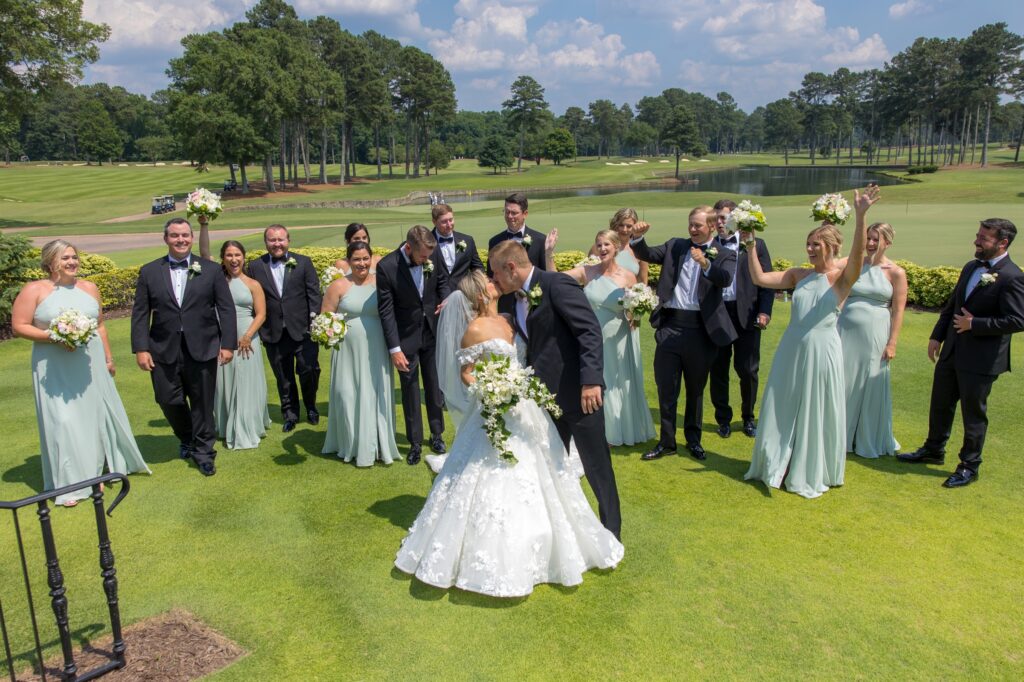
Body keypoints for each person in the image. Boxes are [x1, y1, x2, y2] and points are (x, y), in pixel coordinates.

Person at [395, 271, 623, 596]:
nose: (494, 282)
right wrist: (490, 392)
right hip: (494, 409)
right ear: (480, 294)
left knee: (544, 466)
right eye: (489, 281)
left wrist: (513, 387)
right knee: (491, 473)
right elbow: (466, 373)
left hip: (525, 406)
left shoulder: (506, 320)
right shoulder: (474, 329)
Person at [744, 186, 879, 498]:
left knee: (814, 406)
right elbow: (760, 279)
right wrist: (750, 246)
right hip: (791, 347)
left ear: (830, 247)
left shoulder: (842, 279)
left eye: (816, 244)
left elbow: (858, 257)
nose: (810, 249)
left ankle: (806, 466)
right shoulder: (798, 275)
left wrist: (861, 216)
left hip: (822, 350)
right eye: (808, 244)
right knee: (782, 402)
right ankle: (777, 461)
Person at [490, 240, 622, 538]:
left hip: (579, 395)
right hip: (544, 400)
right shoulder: (513, 299)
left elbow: (589, 332)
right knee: (554, 464)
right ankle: (565, 530)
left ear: (511, 268)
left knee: (595, 464)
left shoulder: (557, 284)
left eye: (496, 273)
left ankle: (611, 531)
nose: (494, 280)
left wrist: (590, 381)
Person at [12, 240, 151, 506]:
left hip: (90, 363)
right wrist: (52, 336)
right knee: (63, 421)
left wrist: (108, 358)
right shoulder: (35, 290)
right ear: (51, 261)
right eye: (65, 258)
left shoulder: (89, 288)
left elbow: (99, 326)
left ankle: (94, 472)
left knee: (92, 417)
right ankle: (69, 485)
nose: (72, 262)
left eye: (74, 257)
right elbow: (19, 326)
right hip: (53, 365)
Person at [898, 218, 1024, 488]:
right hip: (952, 351)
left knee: (973, 413)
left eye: (984, 238)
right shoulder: (970, 267)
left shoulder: (1013, 276)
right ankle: (934, 449)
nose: (976, 241)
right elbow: (953, 304)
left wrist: (974, 324)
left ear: (1003, 243)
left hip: (982, 360)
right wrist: (937, 335)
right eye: (977, 235)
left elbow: (1017, 320)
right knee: (940, 404)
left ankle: (969, 465)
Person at [131, 218, 236, 476]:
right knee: (167, 399)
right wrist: (141, 348)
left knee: (202, 402)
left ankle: (203, 452)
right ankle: (187, 436)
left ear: (191, 237)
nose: (181, 240)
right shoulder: (149, 272)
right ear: (165, 238)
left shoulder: (210, 270)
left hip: (203, 347)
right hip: (163, 348)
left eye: (185, 235)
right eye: (175, 235)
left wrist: (227, 344)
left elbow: (226, 308)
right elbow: (140, 313)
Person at [631, 207, 737, 462]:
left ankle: (693, 440)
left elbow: (724, 278)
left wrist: (706, 263)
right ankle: (667, 442)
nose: (692, 229)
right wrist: (637, 238)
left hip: (701, 330)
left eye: (697, 225)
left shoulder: (724, 254)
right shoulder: (675, 246)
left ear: (711, 226)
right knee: (666, 388)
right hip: (670, 327)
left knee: (695, 390)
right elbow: (646, 253)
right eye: (690, 224)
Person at [564, 230, 655, 447]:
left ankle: (616, 430)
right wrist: (548, 252)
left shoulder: (628, 276)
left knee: (616, 381)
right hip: (592, 336)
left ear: (615, 247)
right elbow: (554, 277)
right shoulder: (588, 271)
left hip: (619, 336)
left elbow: (635, 308)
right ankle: (596, 430)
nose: (602, 249)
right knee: (595, 379)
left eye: (606, 245)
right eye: (599, 245)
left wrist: (637, 312)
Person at [321, 241, 400, 466]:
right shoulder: (338, 286)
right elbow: (324, 318)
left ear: (371, 258)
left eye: (365, 258)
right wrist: (330, 333)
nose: (362, 263)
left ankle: (376, 444)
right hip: (347, 350)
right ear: (348, 261)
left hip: (377, 348)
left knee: (375, 393)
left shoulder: (381, 283)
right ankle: (350, 444)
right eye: (356, 259)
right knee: (347, 393)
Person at [376, 225, 451, 465]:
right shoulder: (386, 267)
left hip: (431, 332)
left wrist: (446, 297)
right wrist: (394, 349)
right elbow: (386, 311)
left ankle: (437, 434)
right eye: (422, 257)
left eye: (428, 257)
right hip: (405, 338)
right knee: (410, 391)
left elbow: (442, 281)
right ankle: (415, 442)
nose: (426, 260)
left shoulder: (432, 254)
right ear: (408, 248)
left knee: (434, 385)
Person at [837, 222, 906, 458]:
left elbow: (898, 310)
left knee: (868, 381)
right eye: (868, 238)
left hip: (875, 334)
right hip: (844, 329)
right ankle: (838, 434)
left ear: (887, 242)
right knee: (843, 379)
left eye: (876, 239)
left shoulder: (895, 272)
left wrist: (892, 343)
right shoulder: (854, 263)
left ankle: (864, 435)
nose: (870, 244)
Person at [247, 225, 322, 432]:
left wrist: (315, 325)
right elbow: (252, 300)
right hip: (274, 332)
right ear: (266, 242)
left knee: (309, 371)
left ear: (288, 240)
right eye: (272, 240)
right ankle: (290, 413)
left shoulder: (303, 263)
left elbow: (314, 295)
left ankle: (311, 406)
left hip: (304, 330)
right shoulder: (255, 267)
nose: (277, 244)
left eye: (280, 239)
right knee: (283, 377)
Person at [709, 208, 774, 439]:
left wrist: (765, 311)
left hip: (747, 313)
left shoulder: (756, 244)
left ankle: (748, 417)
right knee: (718, 370)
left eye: (723, 217)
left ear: (734, 220)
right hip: (717, 315)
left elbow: (766, 282)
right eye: (715, 218)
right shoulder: (709, 245)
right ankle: (723, 420)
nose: (719, 222)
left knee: (747, 370)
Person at [211, 241, 271, 450]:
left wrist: (247, 336)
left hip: (248, 338)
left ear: (244, 257)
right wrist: (204, 223)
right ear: (223, 258)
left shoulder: (253, 284)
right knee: (224, 382)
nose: (234, 259)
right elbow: (202, 253)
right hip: (222, 339)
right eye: (229, 255)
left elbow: (262, 313)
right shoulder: (216, 281)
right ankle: (227, 423)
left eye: (237, 254)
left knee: (245, 382)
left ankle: (246, 425)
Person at [487, 193, 557, 315]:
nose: (509, 216)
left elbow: (545, 276)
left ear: (525, 214)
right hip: (506, 307)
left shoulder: (540, 240)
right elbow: (491, 277)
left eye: (514, 213)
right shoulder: (494, 241)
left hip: (533, 306)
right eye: (507, 212)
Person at [589, 208, 650, 285]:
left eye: (629, 226)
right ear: (615, 225)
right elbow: (588, 275)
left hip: (629, 296)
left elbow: (643, 281)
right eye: (621, 225)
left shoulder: (640, 249)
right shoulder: (599, 248)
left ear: (634, 227)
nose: (625, 230)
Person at [431, 203, 483, 287]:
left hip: (463, 294)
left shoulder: (467, 240)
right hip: (437, 297)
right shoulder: (426, 242)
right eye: (444, 222)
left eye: (450, 220)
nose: (449, 225)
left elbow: (477, 267)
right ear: (434, 222)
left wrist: (478, 286)